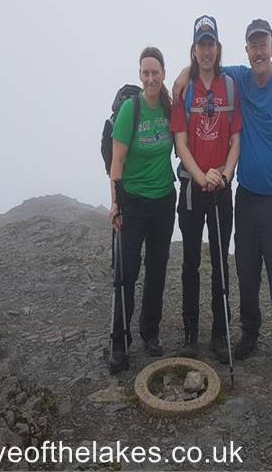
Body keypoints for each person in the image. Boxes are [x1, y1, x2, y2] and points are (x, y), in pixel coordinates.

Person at [173, 19, 272, 375]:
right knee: (246, 270)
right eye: (253, 46)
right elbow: (205, 66)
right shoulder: (240, 79)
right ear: (246, 49)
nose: (258, 51)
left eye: (263, 44)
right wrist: (183, 73)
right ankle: (250, 334)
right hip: (247, 196)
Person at [170, 15, 242, 361]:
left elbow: (236, 139)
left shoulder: (230, 86)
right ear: (194, 49)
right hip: (192, 188)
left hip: (221, 187)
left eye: (211, 43)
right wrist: (201, 176)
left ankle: (219, 333)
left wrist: (225, 175)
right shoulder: (184, 90)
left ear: (218, 47)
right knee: (190, 263)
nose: (207, 50)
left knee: (219, 263)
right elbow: (180, 142)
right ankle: (189, 332)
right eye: (201, 44)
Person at [108, 46, 176, 374]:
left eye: (156, 72)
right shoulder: (130, 111)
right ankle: (120, 343)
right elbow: (116, 162)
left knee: (157, 271)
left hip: (164, 201)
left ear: (164, 73)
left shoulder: (168, 108)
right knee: (127, 274)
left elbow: (183, 145)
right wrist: (115, 204)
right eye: (145, 72)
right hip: (133, 202)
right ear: (140, 75)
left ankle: (150, 332)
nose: (150, 77)